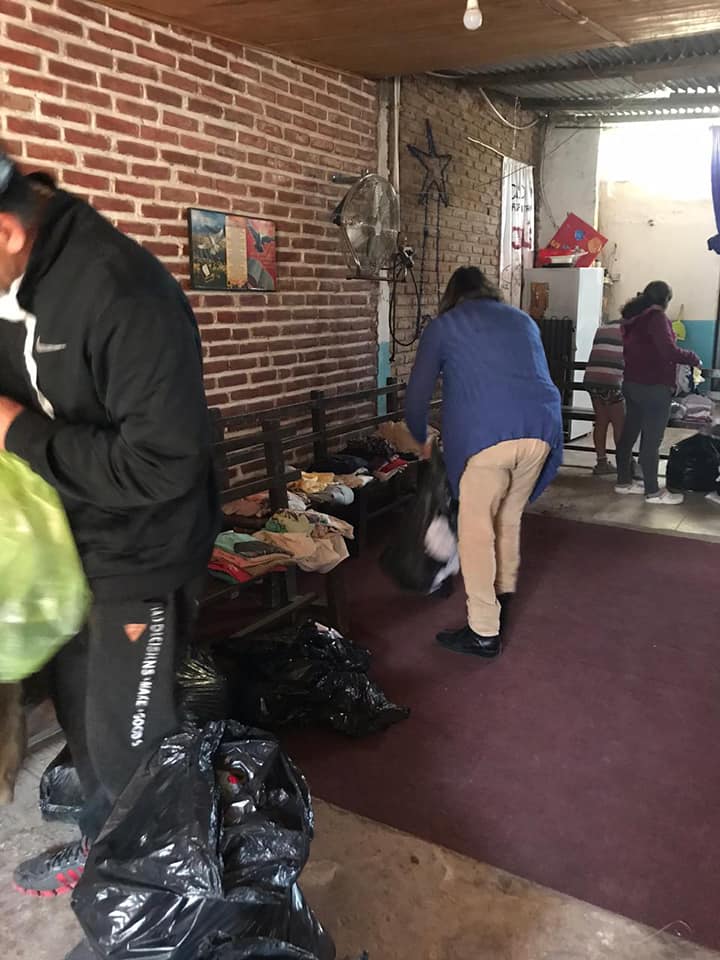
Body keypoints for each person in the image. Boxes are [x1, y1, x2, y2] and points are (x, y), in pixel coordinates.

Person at [0, 152, 218, 955]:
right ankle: (108, 860)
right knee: (86, 734)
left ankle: (157, 922)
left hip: (140, 556)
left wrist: (15, 430)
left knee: (133, 750)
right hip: (63, 550)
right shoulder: (12, 277)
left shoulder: (124, 293)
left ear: (6, 230)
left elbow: (165, 465)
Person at [405, 266, 563, 658]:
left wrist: (421, 437)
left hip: (486, 438)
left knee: (475, 533)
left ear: (453, 295)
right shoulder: (523, 321)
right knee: (507, 519)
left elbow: (417, 396)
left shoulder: (444, 326)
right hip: (541, 431)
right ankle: (502, 598)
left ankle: (483, 631)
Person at [614, 281, 700, 505]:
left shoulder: (633, 318)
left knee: (629, 434)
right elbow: (668, 351)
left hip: (632, 383)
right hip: (653, 386)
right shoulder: (656, 318)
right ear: (665, 299)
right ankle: (653, 492)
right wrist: (693, 358)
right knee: (652, 440)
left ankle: (623, 482)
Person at [584, 317, 626, 476]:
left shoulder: (604, 327)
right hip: (612, 380)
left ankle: (601, 463)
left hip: (592, 378)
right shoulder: (632, 329)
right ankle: (624, 465)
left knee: (601, 420)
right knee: (619, 423)